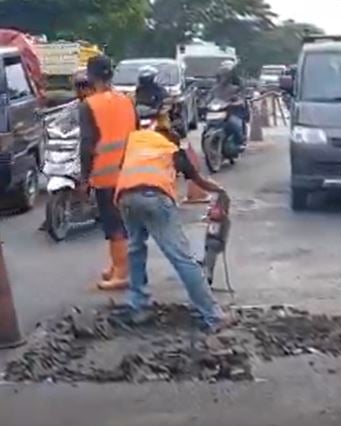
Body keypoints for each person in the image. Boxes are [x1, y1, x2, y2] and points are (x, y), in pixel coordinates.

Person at [114, 102, 230, 332]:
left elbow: (124, 168)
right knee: (181, 257)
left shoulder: (134, 140)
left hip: (125, 197)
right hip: (154, 198)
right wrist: (220, 191)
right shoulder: (170, 146)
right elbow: (198, 180)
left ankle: (138, 307)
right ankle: (214, 316)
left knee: (136, 249)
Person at [80, 55, 139, 291]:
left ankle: (122, 273)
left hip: (105, 172)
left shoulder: (90, 105)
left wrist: (84, 178)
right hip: (129, 168)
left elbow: (87, 144)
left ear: (91, 76)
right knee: (120, 221)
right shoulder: (126, 100)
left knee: (113, 223)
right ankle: (117, 265)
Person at [38, 68, 93, 232]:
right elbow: (60, 122)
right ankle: (55, 215)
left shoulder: (98, 105)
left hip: (94, 148)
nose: (82, 90)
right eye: (79, 86)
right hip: (74, 146)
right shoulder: (73, 106)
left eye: (85, 86)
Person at [207, 60, 246, 147]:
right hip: (218, 112)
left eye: (225, 76)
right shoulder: (215, 88)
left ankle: (239, 143)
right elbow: (209, 98)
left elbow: (241, 97)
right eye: (221, 76)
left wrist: (236, 102)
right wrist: (204, 104)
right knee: (207, 125)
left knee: (236, 125)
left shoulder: (235, 87)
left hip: (232, 111)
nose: (223, 78)